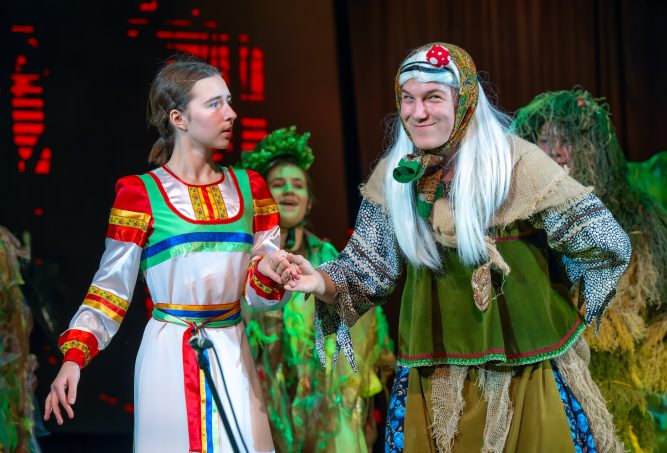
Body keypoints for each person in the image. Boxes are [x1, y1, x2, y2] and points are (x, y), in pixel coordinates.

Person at [281, 43, 631, 452]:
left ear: (463, 100)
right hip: (434, 378)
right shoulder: (396, 176)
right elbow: (366, 267)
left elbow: (605, 240)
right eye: (407, 99)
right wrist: (320, 280)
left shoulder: (515, 165)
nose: (418, 113)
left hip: (525, 374)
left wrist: (565, 285)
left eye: (433, 97)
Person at [43, 57, 297, 453]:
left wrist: (269, 270)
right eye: (214, 104)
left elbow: (261, 297)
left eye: (229, 101)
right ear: (178, 118)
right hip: (168, 354)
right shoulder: (140, 194)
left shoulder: (251, 189)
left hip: (232, 348)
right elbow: (110, 289)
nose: (230, 114)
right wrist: (74, 357)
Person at [513, 88, 667, 452]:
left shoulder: (636, 219)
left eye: (568, 140)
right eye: (546, 140)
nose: (557, 151)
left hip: (609, 387)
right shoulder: (517, 221)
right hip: (539, 383)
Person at [239, 126, 395, 452]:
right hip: (260, 396)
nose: (288, 191)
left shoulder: (325, 257)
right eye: (278, 184)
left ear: (309, 201)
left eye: (298, 185)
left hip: (320, 408)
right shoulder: (244, 259)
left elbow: (360, 328)